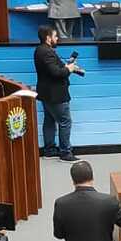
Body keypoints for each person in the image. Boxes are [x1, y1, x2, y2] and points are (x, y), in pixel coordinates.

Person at [34, 25, 84, 161]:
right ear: (48, 38)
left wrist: (67, 65)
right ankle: (65, 153)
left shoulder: (41, 50)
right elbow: (56, 72)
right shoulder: (46, 52)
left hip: (46, 93)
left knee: (49, 120)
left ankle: (49, 150)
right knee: (65, 121)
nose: (57, 39)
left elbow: (55, 67)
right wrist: (69, 69)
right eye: (55, 36)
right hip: (56, 94)